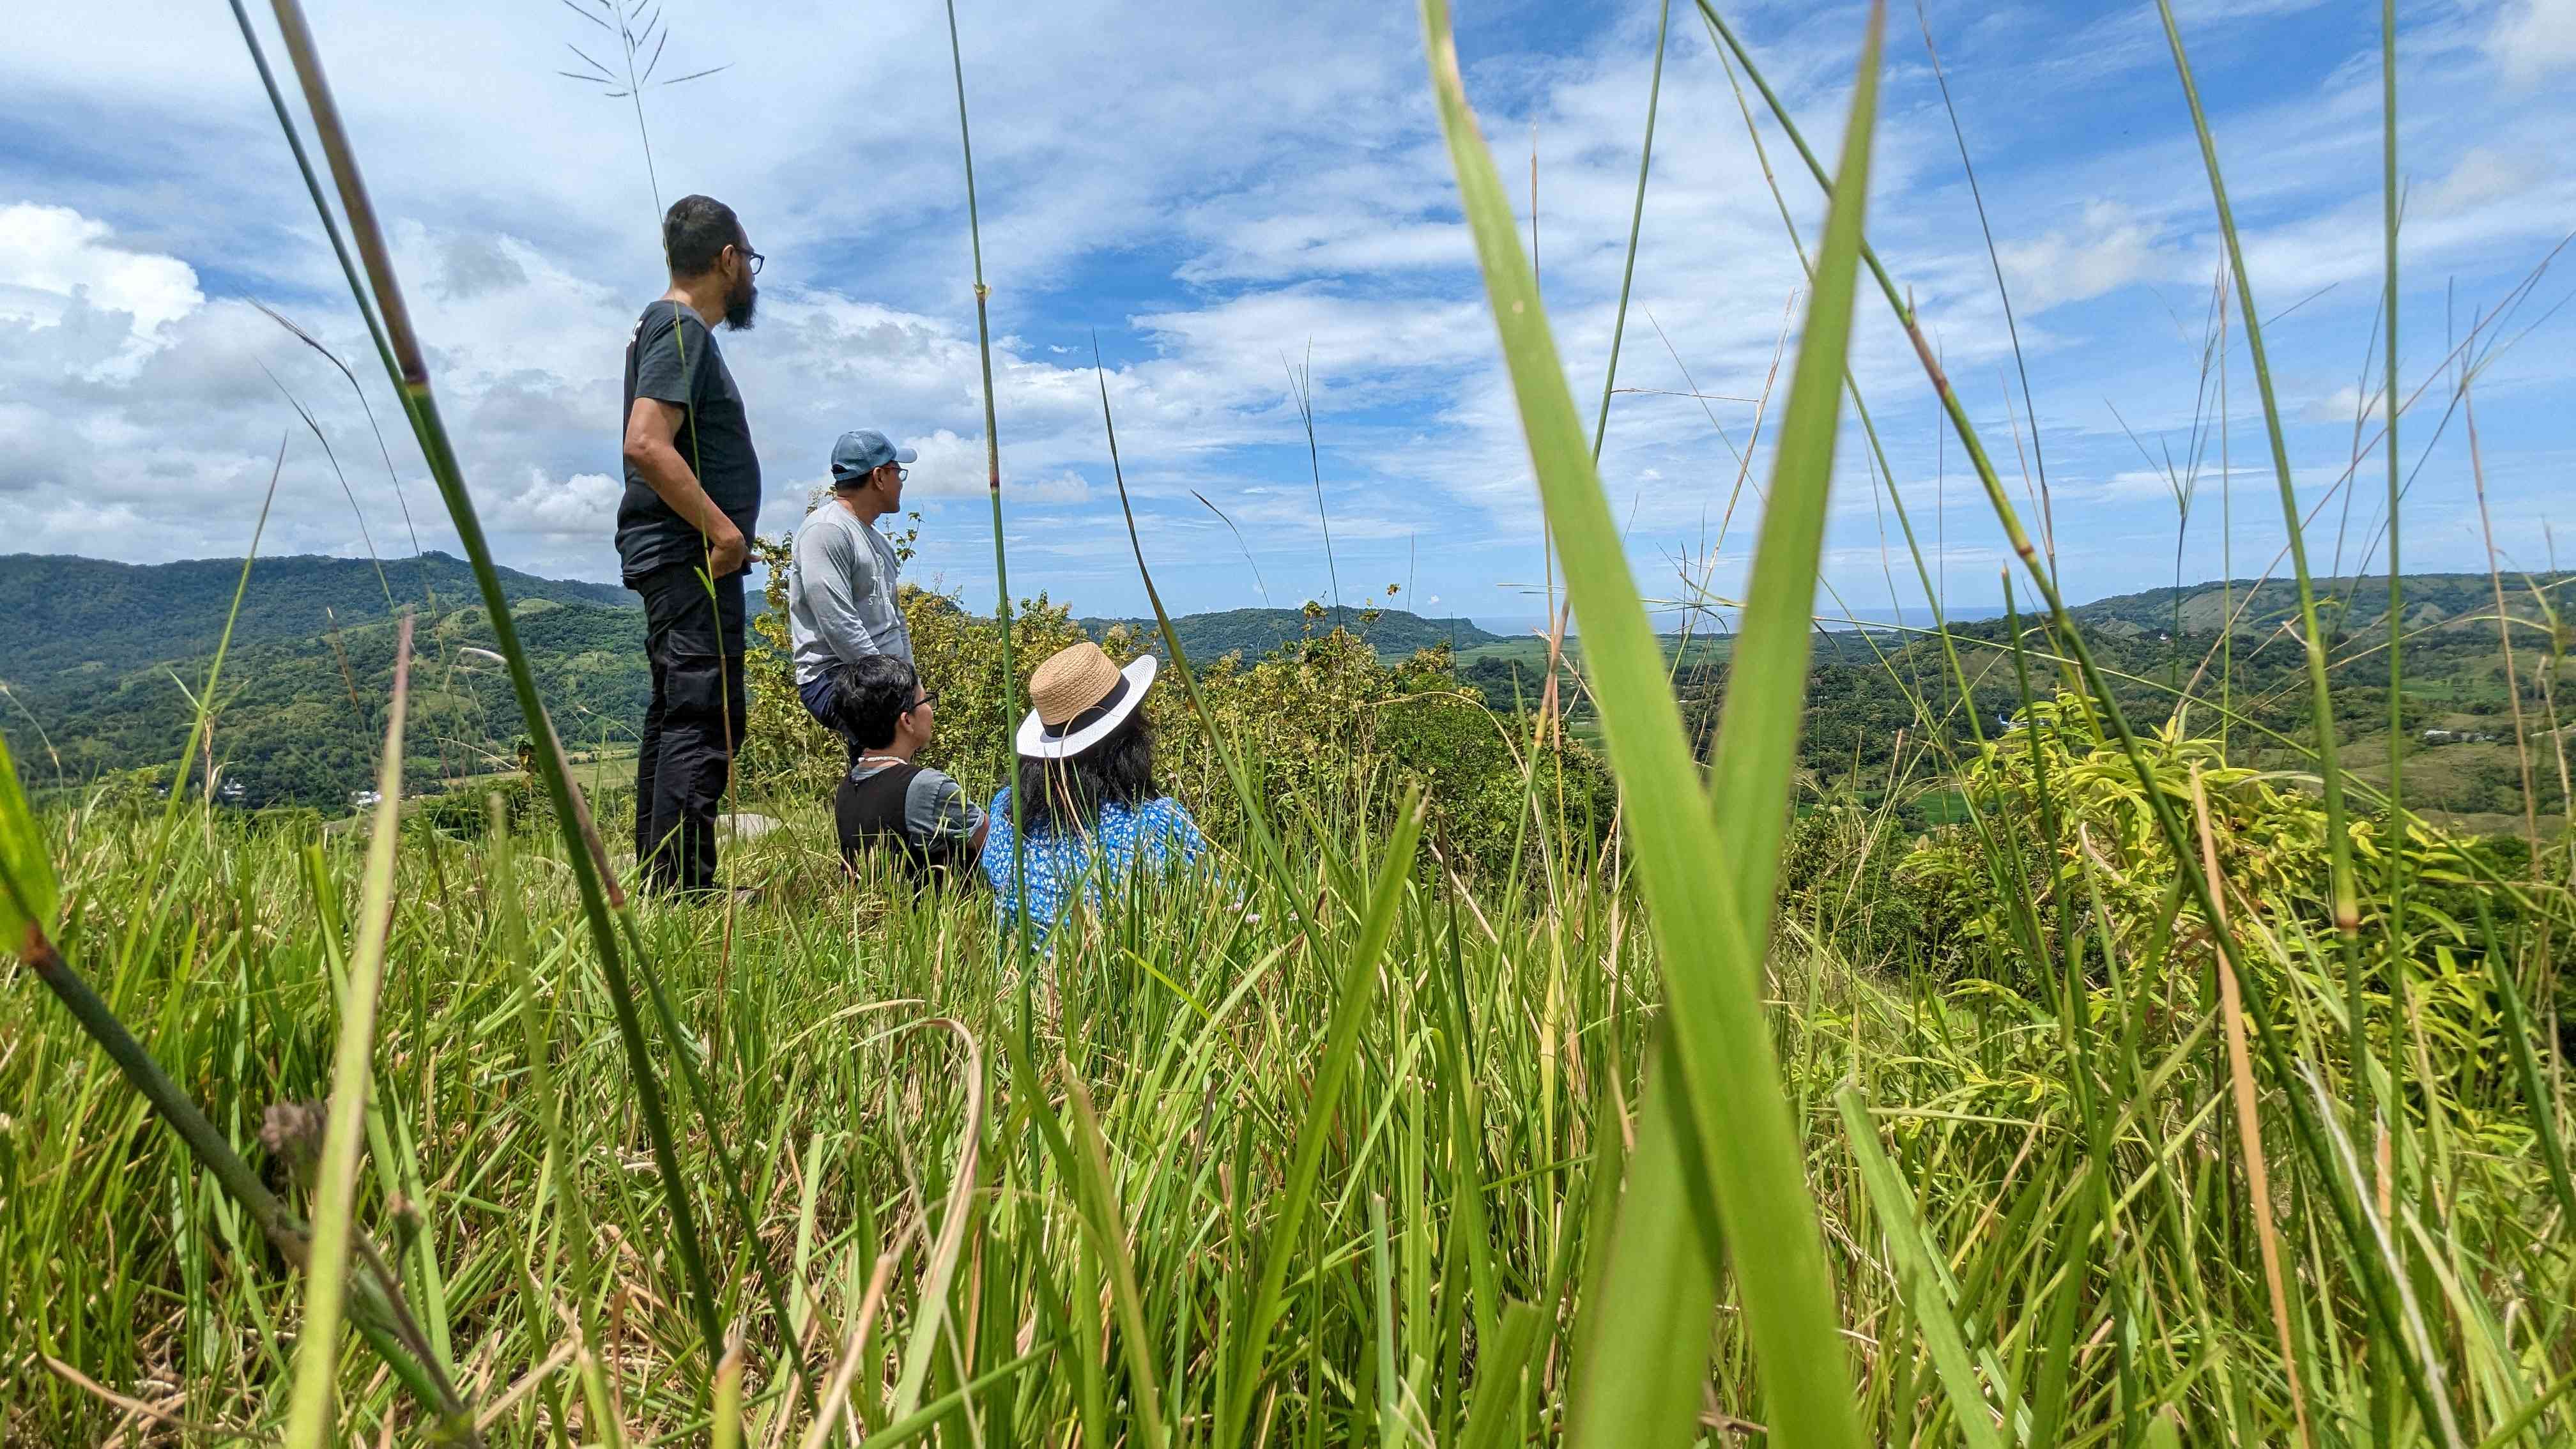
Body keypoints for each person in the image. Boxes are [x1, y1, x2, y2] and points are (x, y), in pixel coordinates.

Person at [616, 194, 763, 896]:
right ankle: (683, 891)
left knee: (676, 712)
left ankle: (664, 883)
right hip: (690, 555)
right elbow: (646, 443)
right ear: (727, 260)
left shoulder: (661, 326)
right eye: (749, 262)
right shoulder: (681, 329)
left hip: (675, 554)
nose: (751, 278)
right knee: (703, 716)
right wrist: (725, 531)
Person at [983, 640, 1209, 939]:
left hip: (1023, 983)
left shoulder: (1005, 815)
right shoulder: (1156, 827)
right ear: (1128, 740)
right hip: (1124, 984)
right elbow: (1220, 910)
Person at [790, 429, 918, 753]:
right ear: (878, 477)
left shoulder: (878, 540)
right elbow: (839, 624)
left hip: (881, 674)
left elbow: (895, 617)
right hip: (836, 673)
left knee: (896, 758)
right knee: (891, 754)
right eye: (897, 472)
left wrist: (912, 682)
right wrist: (896, 688)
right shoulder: (826, 531)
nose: (901, 482)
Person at [817, 654, 986, 882]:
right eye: (925, 701)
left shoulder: (848, 785)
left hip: (878, 913)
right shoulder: (926, 786)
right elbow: (993, 841)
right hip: (939, 915)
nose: (931, 710)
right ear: (907, 720)